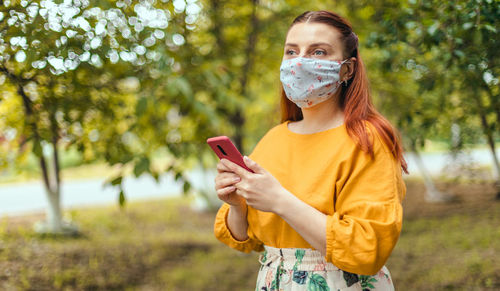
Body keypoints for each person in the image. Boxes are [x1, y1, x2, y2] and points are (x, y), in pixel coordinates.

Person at [213, 10, 408, 291]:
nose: (300, 62)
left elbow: (366, 250)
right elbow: (249, 241)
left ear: (347, 69)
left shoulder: (367, 139)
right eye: (291, 51)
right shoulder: (274, 138)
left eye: (318, 52)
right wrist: (237, 204)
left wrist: (279, 199)